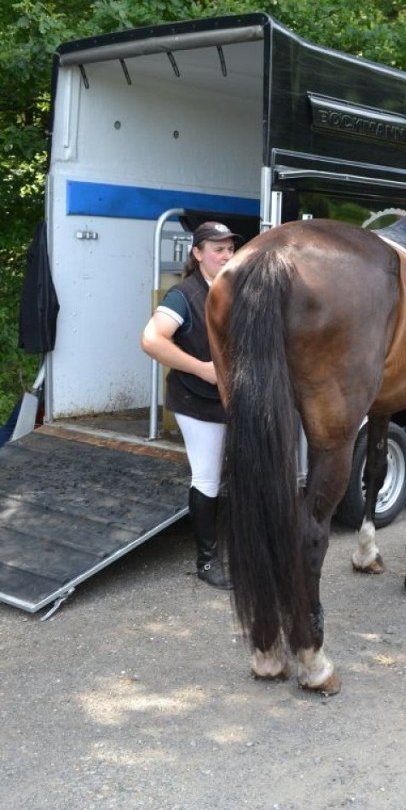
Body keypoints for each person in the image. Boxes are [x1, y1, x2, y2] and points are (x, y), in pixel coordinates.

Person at [141, 221, 241, 589]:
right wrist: (202, 369)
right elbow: (152, 340)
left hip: (232, 399)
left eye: (230, 248)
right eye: (218, 249)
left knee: (233, 476)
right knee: (207, 477)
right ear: (197, 253)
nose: (226, 255)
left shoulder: (235, 289)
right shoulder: (182, 296)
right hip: (196, 401)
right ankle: (207, 561)